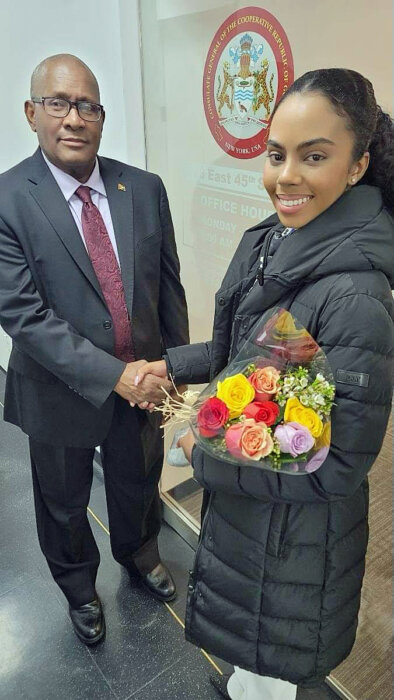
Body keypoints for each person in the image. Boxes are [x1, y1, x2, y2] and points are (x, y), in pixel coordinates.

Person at [136, 68, 393, 699]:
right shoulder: (274, 240)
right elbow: (240, 355)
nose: (286, 177)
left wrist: (205, 453)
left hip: (294, 540)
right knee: (248, 666)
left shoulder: (354, 296)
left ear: (358, 166)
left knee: (271, 669)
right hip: (253, 511)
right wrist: (173, 366)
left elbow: (335, 467)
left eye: (314, 156)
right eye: (277, 155)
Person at [0, 54, 189, 645]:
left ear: (101, 117)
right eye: (58, 103)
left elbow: (168, 289)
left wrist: (177, 371)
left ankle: (139, 553)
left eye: (88, 105)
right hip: (59, 391)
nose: (74, 118)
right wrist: (116, 375)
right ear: (32, 113)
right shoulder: (8, 199)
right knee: (63, 500)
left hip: (146, 385)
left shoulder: (144, 187)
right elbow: (23, 315)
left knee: (139, 479)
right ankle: (79, 587)